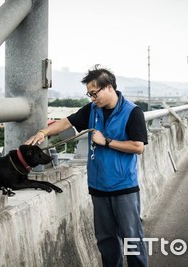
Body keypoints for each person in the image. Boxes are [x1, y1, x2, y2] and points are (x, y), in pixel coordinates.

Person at [25, 65, 149, 267]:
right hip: (99, 187)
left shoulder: (132, 112)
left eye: (94, 93)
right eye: (89, 95)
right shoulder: (92, 110)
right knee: (106, 240)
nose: (92, 98)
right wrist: (43, 132)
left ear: (108, 87)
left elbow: (138, 147)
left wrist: (106, 141)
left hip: (123, 187)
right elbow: (67, 122)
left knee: (131, 237)